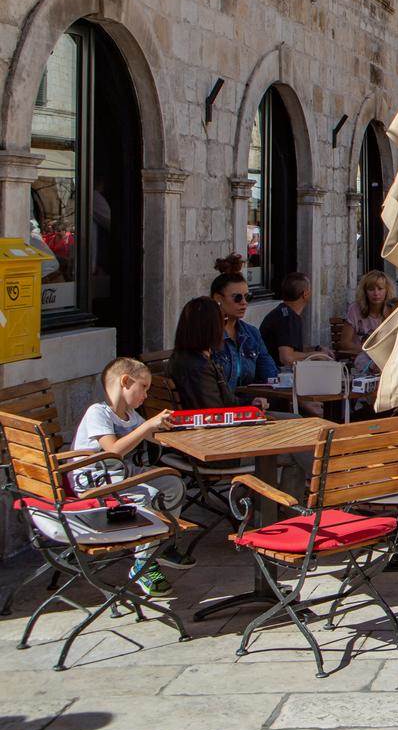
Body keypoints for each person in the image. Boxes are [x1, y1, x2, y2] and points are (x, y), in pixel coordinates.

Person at [70, 358, 187, 596]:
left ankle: (161, 544)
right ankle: (143, 563)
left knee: (173, 483)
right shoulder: (98, 412)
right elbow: (113, 450)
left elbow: (153, 435)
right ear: (125, 381)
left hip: (121, 476)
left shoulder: (131, 415)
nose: (146, 394)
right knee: (151, 495)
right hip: (95, 480)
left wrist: (177, 429)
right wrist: (146, 427)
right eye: (143, 387)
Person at [210, 255, 278, 392]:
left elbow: (270, 375)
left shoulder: (251, 334)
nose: (244, 302)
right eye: (237, 297)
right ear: (218, 299)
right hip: (224, 408)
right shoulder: (208, 335)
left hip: (252, 405)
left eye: (247, 297)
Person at [170, 296, 240, 408]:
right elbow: (213, 410)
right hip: (216, 422)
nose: (224, 328)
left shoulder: (182, 356)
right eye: (223, 321)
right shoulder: (198, 367)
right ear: (211, 328)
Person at [259, 272, 332, 369]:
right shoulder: (287, 318)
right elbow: (287, 358)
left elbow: (291, 348)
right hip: (273, 374)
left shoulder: (284, 313)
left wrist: (316, 349)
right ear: (305, 294)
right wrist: (317, 355)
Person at [342, 269, 398, 374]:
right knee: (362, 359)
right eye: (371, 289)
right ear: (365, 292)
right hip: (362, 354)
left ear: (386, 290)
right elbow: (345, 343)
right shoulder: (355, 309)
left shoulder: (393, 309)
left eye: (380, 289)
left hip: (386, 354)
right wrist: (369, 351)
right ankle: (374, 367)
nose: (376, 293)